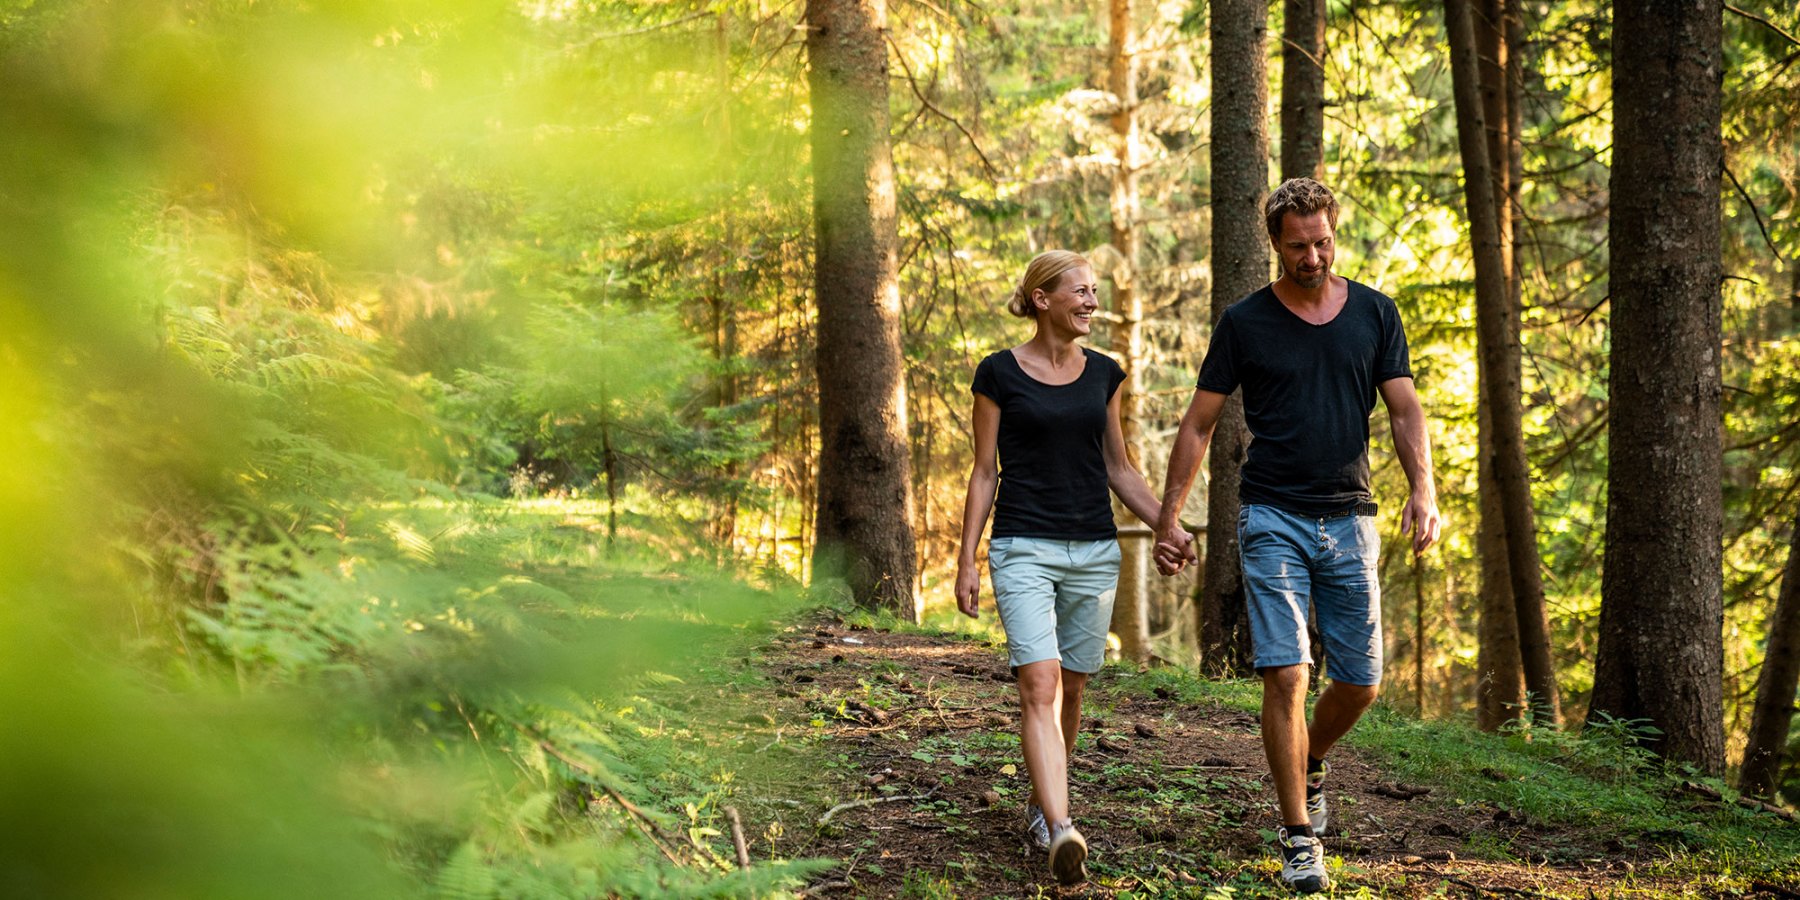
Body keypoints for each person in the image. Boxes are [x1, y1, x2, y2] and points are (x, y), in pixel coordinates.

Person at [1152, 178, 1442, 893]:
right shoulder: (1245, 322)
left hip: (1351, 517)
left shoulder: (1375, 313)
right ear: (1275, 244)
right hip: (1271, 514)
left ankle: (1309, 761)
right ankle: (1298, 836)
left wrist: (1424, 491)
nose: (1312, 256)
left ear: (1333, 234)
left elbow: (1405, 411)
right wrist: (1169, 516)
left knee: (1361, 683)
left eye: (1322, 242)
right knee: (1286, 672)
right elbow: (1198, 423)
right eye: (1297, 245)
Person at [953, 250, 1164, 886]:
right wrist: (967, 557)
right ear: (1043, 299)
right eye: (1081, 291)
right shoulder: (997, 375)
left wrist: (1169, 524)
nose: (1092, 302)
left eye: (1095, 291)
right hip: (1022, 547)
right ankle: (1060, 824)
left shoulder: (1105, 374)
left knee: (1072, 688)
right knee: (1038, 687)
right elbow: (984, 471)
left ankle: (1046, 805)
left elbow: (1119, 467)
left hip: (1095, 551)